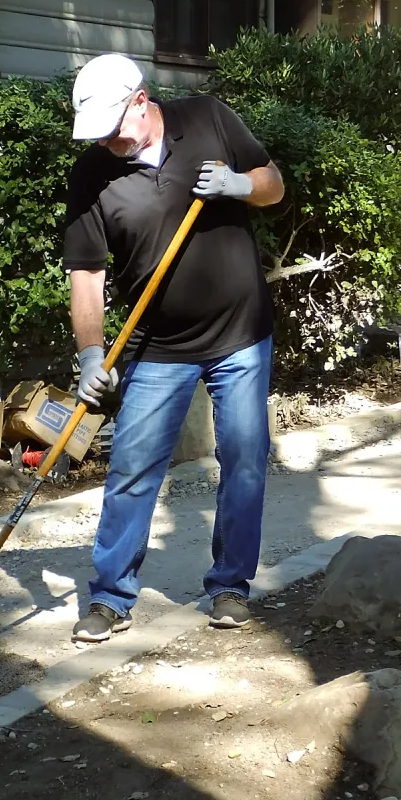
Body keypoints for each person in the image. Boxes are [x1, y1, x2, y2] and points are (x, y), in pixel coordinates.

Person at [63, 53, 285, 643]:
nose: (107, 141)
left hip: (241, 332)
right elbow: (86, 273)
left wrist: (240, 184)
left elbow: (274, 184)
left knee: (244, 460)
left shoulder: (208, 118)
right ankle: (111, 596)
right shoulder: (92, 174)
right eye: (97, 132)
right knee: (132, 469)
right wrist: (90, 353)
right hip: (157, 346)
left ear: (142, 101)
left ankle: (231, 586)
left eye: (113, 127)